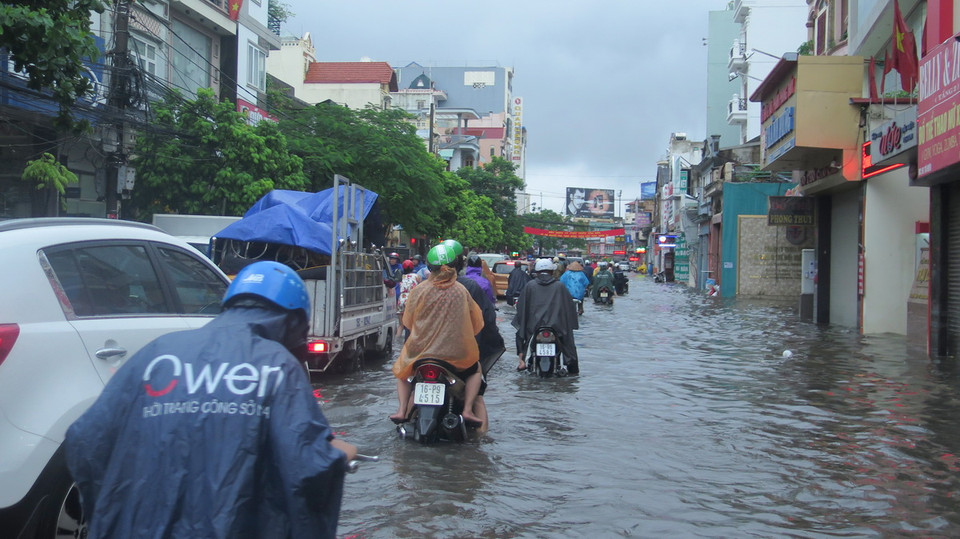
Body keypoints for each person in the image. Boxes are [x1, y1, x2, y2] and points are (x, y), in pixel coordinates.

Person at [64, 261, 357, 539]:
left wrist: (114, 510)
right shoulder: (277, 366)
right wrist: (337, 455)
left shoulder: (157, 353)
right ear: (293, 321)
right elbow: (306, 465)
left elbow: (86, 440)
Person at [390, 243, 485, 426]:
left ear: (429, 266)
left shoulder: (419, 291)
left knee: (402, 372)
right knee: (476, 369)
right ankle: (467, 410)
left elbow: (407, 322)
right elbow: (476, 324)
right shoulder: (461, 291)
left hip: (420, 354)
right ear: (456, 265)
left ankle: (401, 410)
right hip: (454, 357)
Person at [512, 258, 580, 374]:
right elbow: (569, 308)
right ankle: (571, 367)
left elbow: (521, 309)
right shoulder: (560, 286)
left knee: (520, 336)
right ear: (552, 271)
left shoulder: (530, 286)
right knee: (568, 345)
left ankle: (522, 361)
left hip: (533, 329)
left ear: (537, 272)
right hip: (558, 330)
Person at [397, 259, 422, 340]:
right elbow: (421, 287)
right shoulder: (417, 276)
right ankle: (409, 342)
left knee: (401, 325)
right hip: (411, 300)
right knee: (411, 324)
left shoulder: (401, 277)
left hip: (401, 299)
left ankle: (396, 340)